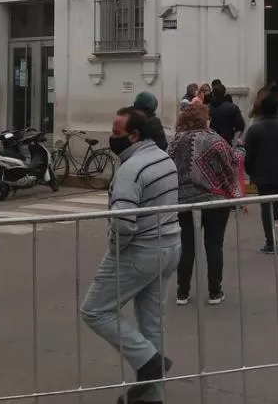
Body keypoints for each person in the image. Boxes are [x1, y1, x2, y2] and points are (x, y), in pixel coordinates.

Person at [80, 108, 180, 404]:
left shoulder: (130, 169)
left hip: (140, 250)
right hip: (170, 246)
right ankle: (152, 397)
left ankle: (150, 362)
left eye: (116, 132)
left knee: (95, 310)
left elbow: (123, 221)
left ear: (134, 135)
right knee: (152, 322)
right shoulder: (164, 158)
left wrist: (115, 249)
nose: (111, 138)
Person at [168, 103, 241, 305]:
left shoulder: (175, 142)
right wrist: (234, 193)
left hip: (182, 201)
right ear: (204, 119)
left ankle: (183, 292)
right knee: (215, 244)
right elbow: (231, 166)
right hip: (215, 201)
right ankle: (214, 291)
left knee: (186, 244)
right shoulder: (215, 140)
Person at [243, 93, 278, 253]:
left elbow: (249, 155)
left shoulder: (254, 130)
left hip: (262, 175)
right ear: (277, 109)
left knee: (266, 208)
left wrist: (251, 172)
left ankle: (270, 242)